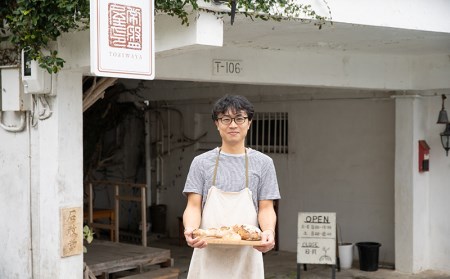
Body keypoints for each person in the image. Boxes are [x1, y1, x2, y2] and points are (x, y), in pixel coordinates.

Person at [182, 94, 281, 278]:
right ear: (217, 124)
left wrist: (268, 231)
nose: (233, 125)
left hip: (247, 256)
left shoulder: (263, 163)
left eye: (239, 118)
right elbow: (193, 206)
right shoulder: (201, 162)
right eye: (226, 119)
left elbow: (266, 207)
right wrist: (190, 229)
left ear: (249, 122)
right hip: (208, 253)